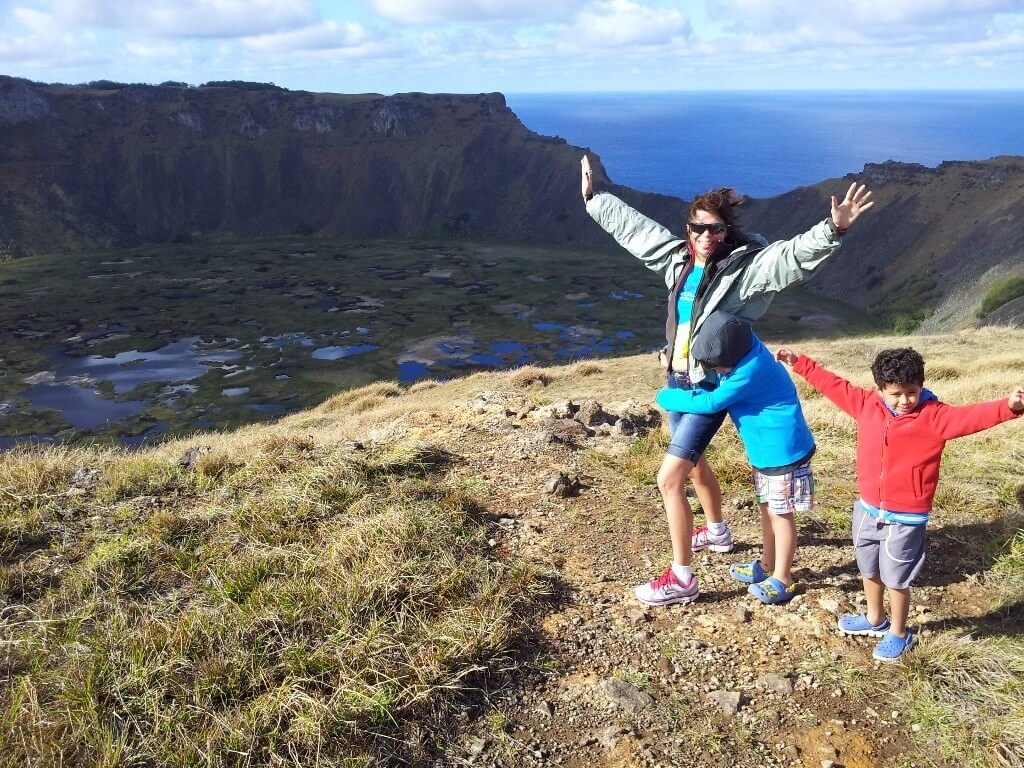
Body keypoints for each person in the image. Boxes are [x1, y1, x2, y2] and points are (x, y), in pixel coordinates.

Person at [580, 155, 874, 606]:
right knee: (694, 462)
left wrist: (833, 230)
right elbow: (639, 232)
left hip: (707, 388)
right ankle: (716, 531)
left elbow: (789, 258)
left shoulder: (743, 270)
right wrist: (596, 200)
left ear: (726, 233)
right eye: (697, 228)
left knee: (669, 478)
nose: (704, 237)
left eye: (714, 229)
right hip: (679, 379)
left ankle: (682, 577)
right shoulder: (679, 261)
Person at [777, 346, 1024, 660]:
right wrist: (800, 364)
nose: (905, 400)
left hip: (906, 518)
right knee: (868, 569)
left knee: (896, 578)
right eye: (895, 394)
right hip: (867, 509)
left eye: (912, 392)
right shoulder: (866, 404)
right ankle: (874, 619)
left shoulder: (935, 416)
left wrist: (1010, 406)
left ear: (921, 385)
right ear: (880, 389)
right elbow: (834, 385)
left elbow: (972, 417)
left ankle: (899, 632)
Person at [656, 311, 815, 604]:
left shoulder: (747, 372)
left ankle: (783, 578)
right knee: (767, 508)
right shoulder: (747, 344)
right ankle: (767, 565)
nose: (720, 373)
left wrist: (665, 397)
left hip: (783, 453)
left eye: (720, 368)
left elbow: (711, 402)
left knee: (781, 515)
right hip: (766, 452)